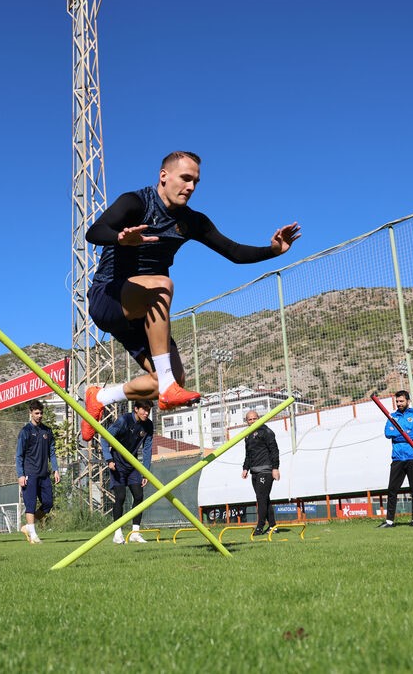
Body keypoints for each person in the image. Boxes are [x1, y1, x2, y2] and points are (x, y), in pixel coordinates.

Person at [80, 151, 301, 441]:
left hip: (144, 316)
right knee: (162, 285)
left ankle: (101, 397)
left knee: (172, 378)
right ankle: (169, 388)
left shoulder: (192, 221)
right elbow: (95, 231)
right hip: (109, 297)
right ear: (164, 176)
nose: (191, 187)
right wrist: (120, 237)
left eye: (196, 181)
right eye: (185, 178)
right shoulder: (136, 202)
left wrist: (272, 250)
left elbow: (233, 252)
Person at [102, 400, 154, 544]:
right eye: (144, 409)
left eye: (148, 410)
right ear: (136, 409)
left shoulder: (148, 425)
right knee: (120, 497)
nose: (146, 413)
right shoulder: (124, 420)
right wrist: (108, 459)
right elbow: (104, 437)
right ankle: (117, 534)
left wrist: (146, 472)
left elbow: (147, 449)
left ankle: (135, 533)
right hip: (117, 464)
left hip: (133, 465)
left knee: (139, 496)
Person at [377, 391, 413, 528]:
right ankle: (389, 521)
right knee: (392, 489)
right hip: (398, 457)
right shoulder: (392, 417)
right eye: (397, 401)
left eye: (401, 401)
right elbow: (388, 433)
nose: (399, 404)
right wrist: (405, 433)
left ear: (408, 401)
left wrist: (398, 434)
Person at [16, 400, 60, 544]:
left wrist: (55, 469)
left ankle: (28, 526)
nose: (39, 415)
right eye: (36, 413)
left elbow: (52, 452)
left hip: (44, 474)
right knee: (30, 504)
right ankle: (33, 535)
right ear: (31, 413)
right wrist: (20, 474)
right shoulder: (25, 431)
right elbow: (19, 455)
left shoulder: (47, 431)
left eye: (41, 413)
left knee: (48, 503)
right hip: (30, 473)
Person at [241, 410, 281, 536]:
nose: (252, 421)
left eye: (254, 418)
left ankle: (260, 526)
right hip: (254, 471)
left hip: (266, 470)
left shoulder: (266, 431)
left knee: (261, 498)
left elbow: (274, 450)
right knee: (265, 499)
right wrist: (245, 468)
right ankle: (273, 526)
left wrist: (275, 468)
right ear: (246, 421)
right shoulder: (247, 435)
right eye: (250, 419)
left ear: (259, 418)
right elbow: (248, 454)